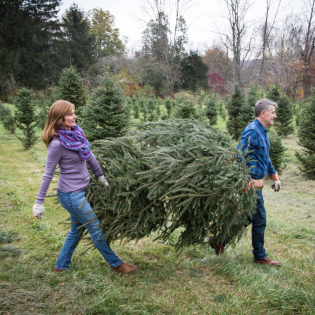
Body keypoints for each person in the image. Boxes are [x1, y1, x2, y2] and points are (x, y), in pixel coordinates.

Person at [32, 100, 137, 274]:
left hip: (81, 191)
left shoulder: (77, 135)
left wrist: (100, 176)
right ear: (60, 118)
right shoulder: (57, 145)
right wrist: (39, 202)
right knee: (95, 228)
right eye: (71, 113)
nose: (75, 116)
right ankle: (116, 264)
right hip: (70, 195)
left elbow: (90, 156)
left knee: (77, 230)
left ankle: (61, 266)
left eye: (74, 112)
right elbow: (48, 175)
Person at [211, 98, 281, 266]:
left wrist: (274, 176)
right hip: (250, 186)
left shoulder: (262, 132)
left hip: (257, 184)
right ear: (263, 113)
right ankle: (259, 255)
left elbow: (265, 157)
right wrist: (244, 181)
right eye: (272, 113)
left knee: (249, 217)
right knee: (260, 219)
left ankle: (220, 240)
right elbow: (239, 156)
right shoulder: (252, 131)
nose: (275, 116)